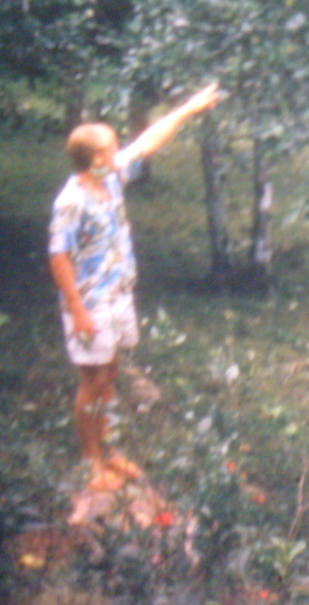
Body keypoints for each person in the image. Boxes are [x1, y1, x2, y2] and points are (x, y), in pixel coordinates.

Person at [48, 83, 222, 492]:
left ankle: (109, 450)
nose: (119, 149)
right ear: (94, 159)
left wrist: (188, 110)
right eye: (111, 146)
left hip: (118, 294)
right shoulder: (70, 202)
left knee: (110, 371)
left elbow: (147, 143)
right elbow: (58, 257)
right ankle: (92, 461)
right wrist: (78, 311)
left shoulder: (108, 177)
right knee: (92, 379)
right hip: (89, 303)